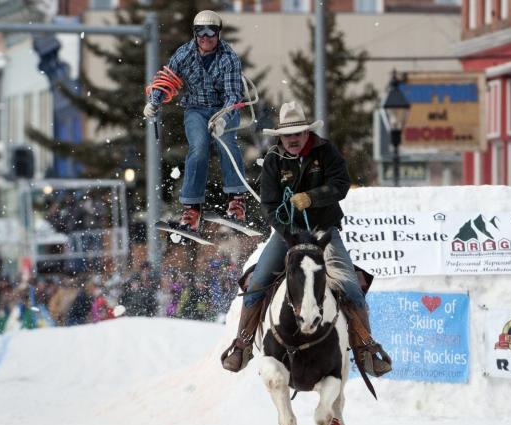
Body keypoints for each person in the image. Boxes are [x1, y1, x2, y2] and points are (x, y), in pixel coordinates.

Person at [220, 101, 392, 377]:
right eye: (287, 135)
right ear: (281, 136)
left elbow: (340, 185)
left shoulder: (326, 151)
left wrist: (312, 198)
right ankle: (243, 343)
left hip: (324, 231)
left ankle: (365, 347)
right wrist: (288, 233)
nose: (292, 139)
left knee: (350, 284)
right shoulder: (273, 160)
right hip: (287, 234)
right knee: (258, 281)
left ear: (306, 133)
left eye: (297, 134)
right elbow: (269, 205)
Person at [143, 10, 249, 232]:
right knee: (198, 148)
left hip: (223, 108)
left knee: (227, 144)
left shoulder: (229, 58)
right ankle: (191, 208)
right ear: (194, 33)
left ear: (218, 33)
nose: (206, 37)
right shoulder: (184, 54)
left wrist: (223, 118)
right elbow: (167, 79)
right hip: (196, 110)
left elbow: (233, 94)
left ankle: (236, 199)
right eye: (201, 31)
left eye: (211, 31)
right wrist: (154, 102)